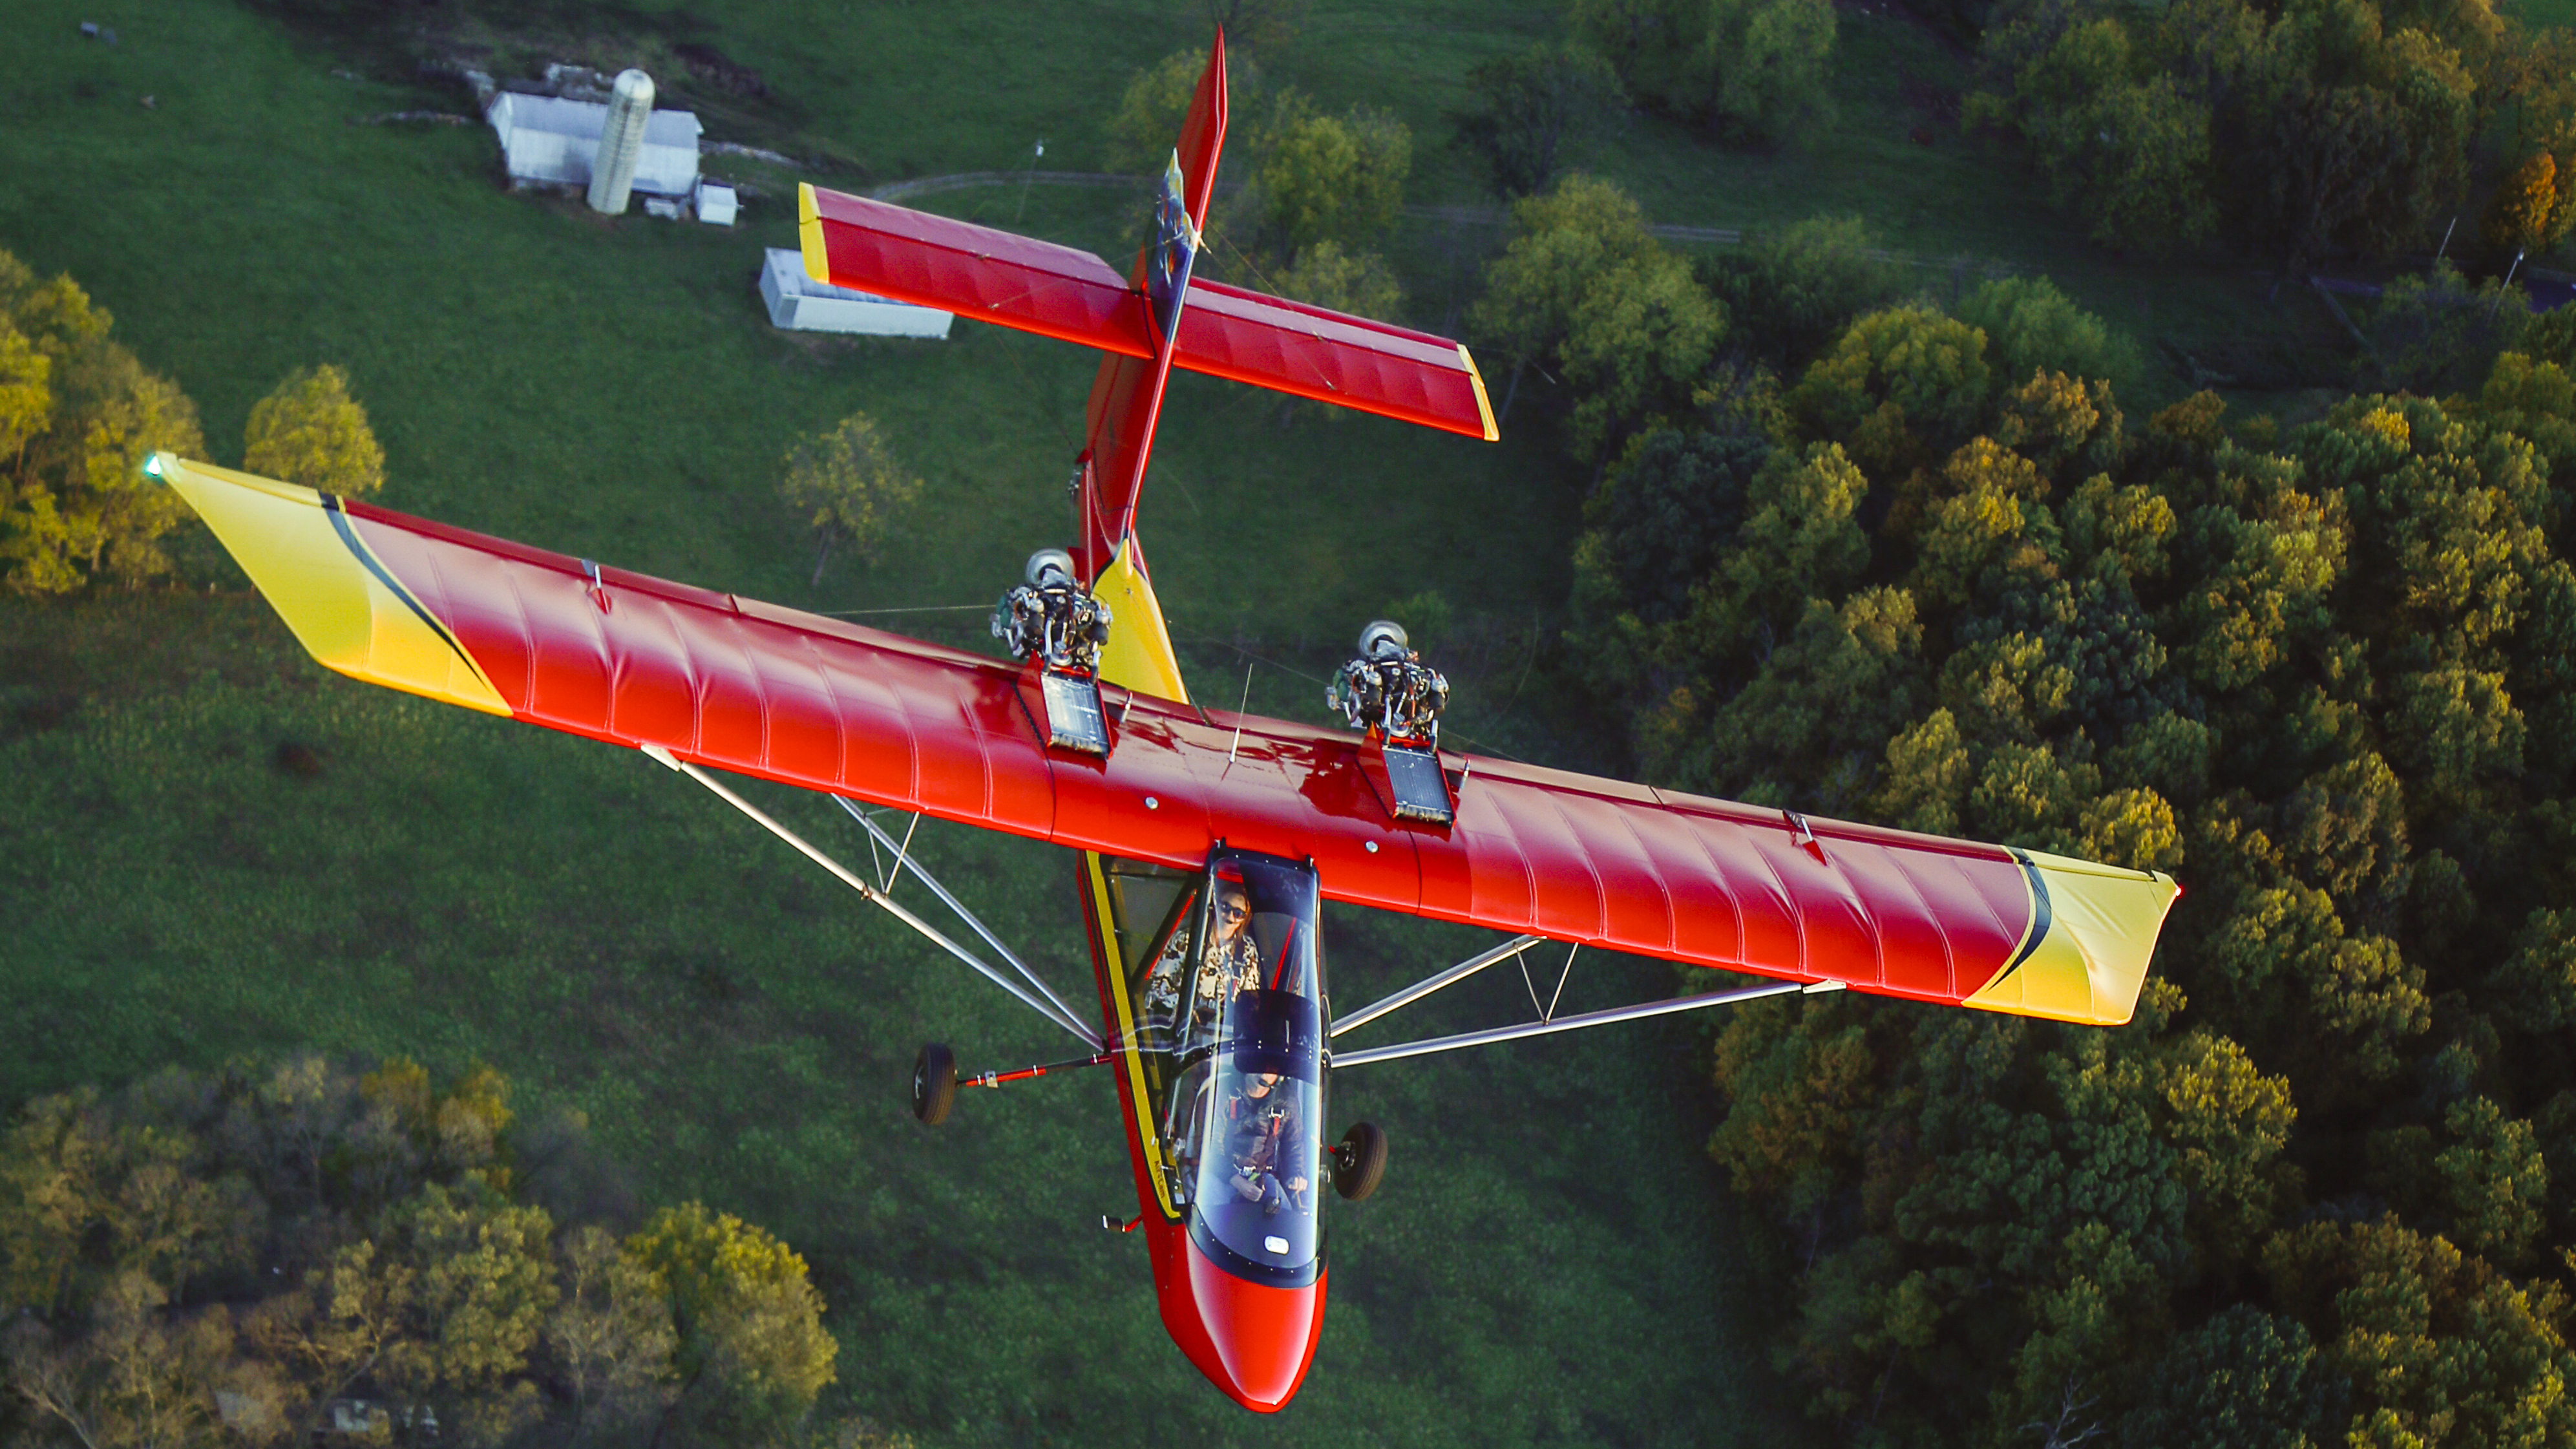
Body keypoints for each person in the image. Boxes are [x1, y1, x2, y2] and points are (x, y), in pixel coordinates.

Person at [1223, 1071, 1309, 1216]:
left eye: (1271, 1069)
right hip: (1220, 1173)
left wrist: (1297, 1174)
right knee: (1212, 1215)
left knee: (1285, 1217)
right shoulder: (1224, 1090)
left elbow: (1294, 1144)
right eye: (1258, 1063)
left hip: (1258, 1176)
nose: (1263, 1072)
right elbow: (1208, 1146)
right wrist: (1234, 1179)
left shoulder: (1286, 1100)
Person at [1192, 882, 1263, 1028]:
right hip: (1185, 1029)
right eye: (1225, 907)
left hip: (1223, 1035)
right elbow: (1160, 988)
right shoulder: (1188, 939)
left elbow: (1250, 1001)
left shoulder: (1247, 951)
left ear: (1244, 919)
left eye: (1238, 913)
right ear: (1215, 904)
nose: (1231, 916)